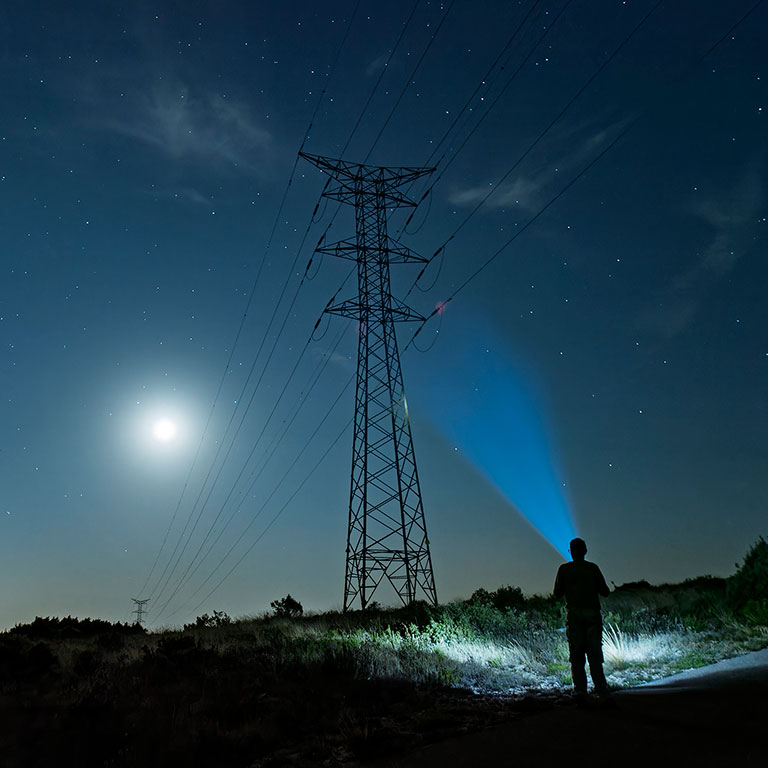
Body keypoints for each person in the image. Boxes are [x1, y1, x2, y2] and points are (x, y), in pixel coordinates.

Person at [554, 537, 610, 697]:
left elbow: (557, 593)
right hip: (592, 614)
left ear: (571, 552)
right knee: (595, 654)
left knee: (577, 655)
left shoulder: (564, 569)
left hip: (574, 616)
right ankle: (601, 689)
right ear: (585, 551)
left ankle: (580, 692)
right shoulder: (593, 568)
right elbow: (604, 591)